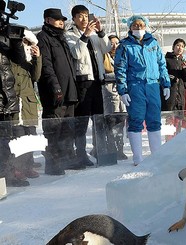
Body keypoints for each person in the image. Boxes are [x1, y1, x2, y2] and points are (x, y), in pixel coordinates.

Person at [114, 15, 171, 166]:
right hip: (135, 86)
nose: (138, 28)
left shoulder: (153, 43)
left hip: (152, 85)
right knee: (136, 119)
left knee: (154, 120)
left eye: (141, 25)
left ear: (145, 26)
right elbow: (120, 69)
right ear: (130, 28)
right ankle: (138, 157)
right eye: (135, 25)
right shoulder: (125, 46)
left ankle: (156, 155)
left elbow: (162, 64)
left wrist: (166, 84)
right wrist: (123, 90)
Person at [65, 5, 111, 168]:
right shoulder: (70, 35)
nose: (84, 19)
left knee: (99, 119)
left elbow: (107, 48)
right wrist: (85, 35)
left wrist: (100, 32)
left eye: (86, 16)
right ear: (74, 19)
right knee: (82, 121)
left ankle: (100, 150)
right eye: (80, 16)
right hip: (83, 82)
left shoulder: (95, 35)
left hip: (97, 81)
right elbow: (76, 54)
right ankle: (80, 153)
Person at [37, 8, 79, 175]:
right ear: (48, 20)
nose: (61, 21)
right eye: (57, 19)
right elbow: (46, 65)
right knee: (54, 129)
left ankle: (67, 159)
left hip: (69, 90)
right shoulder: (43, 38)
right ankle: (53, 164)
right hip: (55, 92)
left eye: (62, 19)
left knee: (68, 128)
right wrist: (55, 87)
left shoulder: (61, 38)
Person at [10, 29, 42, 179]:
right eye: (24, 43)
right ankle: (17, 169)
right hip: (15, 104)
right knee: (17, 138)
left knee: (30, 137)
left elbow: (36, 76)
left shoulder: (29, 62)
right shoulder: (11, 59)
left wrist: (37, 58)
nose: (26, 46)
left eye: (29, 44)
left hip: (28, 104)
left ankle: (28, 166)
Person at [0, 22, 27, 186]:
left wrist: (16, 41)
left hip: (7, 95)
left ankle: (6, 175)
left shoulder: (4, 37)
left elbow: (19, 60)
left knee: (6, 140)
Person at [102, 34, 127, 161]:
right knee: (111, 125)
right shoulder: (103, 57)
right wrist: (119, 76)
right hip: (109, 96)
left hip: (122, 97)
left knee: (120, 125)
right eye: (111, 43)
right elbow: (103, 75)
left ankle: (120, 149)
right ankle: (111, 149)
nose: (114, 45)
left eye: (117, 43)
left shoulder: (123, 57)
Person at [162, 38, 186, 111]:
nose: (180, 48)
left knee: (179, 119)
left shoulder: (183, 61)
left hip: (180, 94)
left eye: (182, 46)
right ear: (173, 47)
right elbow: (163, 74)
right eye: (178, 45)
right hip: (170, 92)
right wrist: (173, 78)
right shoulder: (166, 59)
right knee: (168, 117)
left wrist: (185, 68)